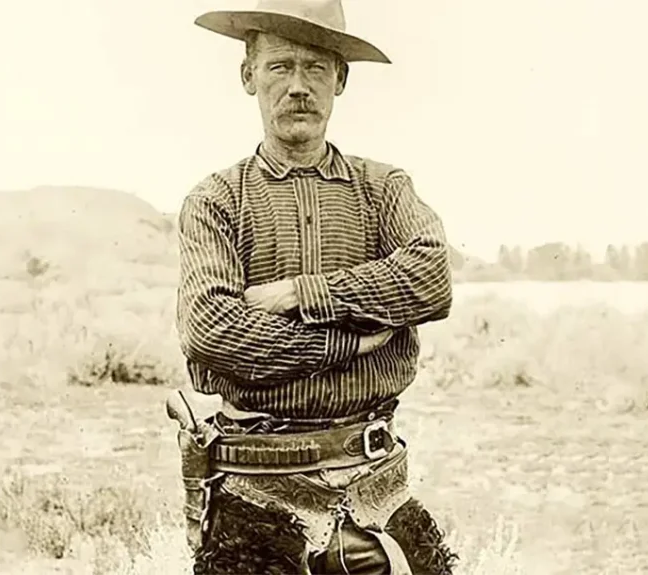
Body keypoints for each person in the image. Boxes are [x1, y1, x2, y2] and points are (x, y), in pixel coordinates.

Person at [172, 0, 458, 573]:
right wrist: (348, 341)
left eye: (316, 68)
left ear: (340, 80)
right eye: (280, 66)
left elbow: (431, 278)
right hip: (253, 495)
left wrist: (301, 294)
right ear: (248, 75)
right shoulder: (215, 201)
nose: (298, 86)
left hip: (377, 491)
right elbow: (212, 332)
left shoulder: (384, 190)